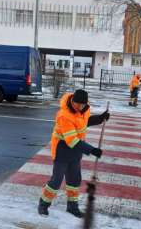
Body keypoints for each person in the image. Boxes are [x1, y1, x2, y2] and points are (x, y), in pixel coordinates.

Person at [38, 89, 110, 218]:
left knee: (74, 180)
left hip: (76, 149)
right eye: (78, 105)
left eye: (83, 105)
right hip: (62, 149)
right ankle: (43, 205)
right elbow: (71, 140)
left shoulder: (84, 109)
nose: (81, 107)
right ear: (73, 101)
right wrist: (91, 150)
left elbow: (84, 121)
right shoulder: (64, 115)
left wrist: (100, 118)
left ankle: (72, 207)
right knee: (56, 180)